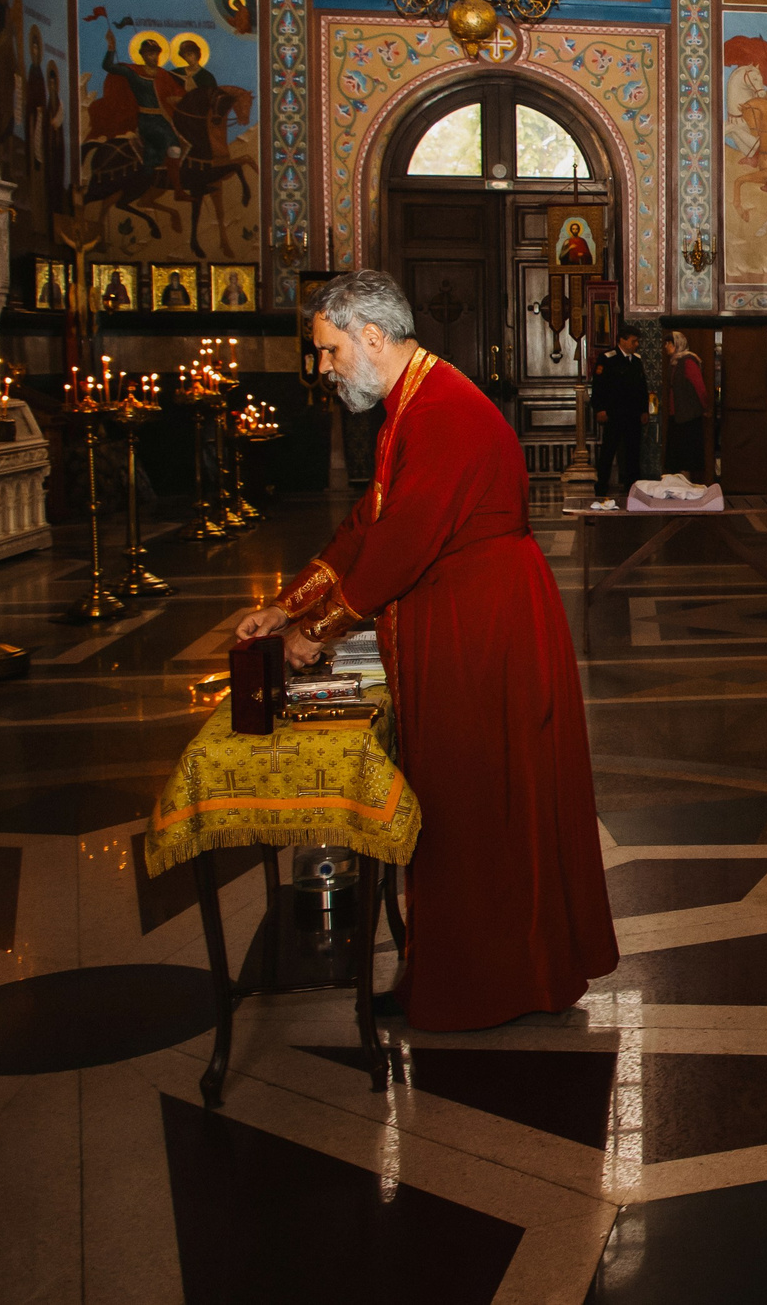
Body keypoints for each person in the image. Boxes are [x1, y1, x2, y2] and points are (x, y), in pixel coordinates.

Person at [233, 271, 618, 1030]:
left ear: (371, 335)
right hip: (462, 619)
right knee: (458, 805)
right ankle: (463, 972)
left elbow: (401, 548)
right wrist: (287, 604)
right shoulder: (408, 403)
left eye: (329, 349)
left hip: (484, 630)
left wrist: (318, 631)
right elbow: (369, 527)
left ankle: (488, 983)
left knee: (474, 805)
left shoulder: (441, 412)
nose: (324, 366)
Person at [591, 329, 650, 497]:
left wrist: (644, 410)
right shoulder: (608, 358)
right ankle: (602, 484)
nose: (636, 344)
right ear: (622, 341)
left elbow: (641, 388)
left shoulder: (636, 361)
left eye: (637, 341)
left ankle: (632, 484)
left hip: (632, 414)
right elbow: (598, 387)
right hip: (614, 414)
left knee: (632, 450)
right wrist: (600, 408)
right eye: (633, 341)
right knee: (609, 450)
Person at [662, 330, 710, 477]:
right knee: (678, 453)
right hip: (677, 415)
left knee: (686, 454)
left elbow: (699, 387)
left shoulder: (688, 361)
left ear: (676, 344)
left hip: (687, 416)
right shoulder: (675, 362)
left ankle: (686, 483)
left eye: (668, 344)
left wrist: (704, 406)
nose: (666, 347)